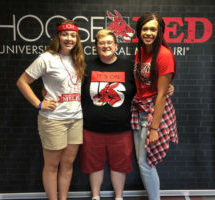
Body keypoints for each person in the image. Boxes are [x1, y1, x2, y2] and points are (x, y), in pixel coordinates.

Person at [16, 19, 85, 200]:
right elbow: (22, 82)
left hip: (76, 119)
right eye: (65, 34)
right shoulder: (47, 58)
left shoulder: (78, 58)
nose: (69, 38)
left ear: (77, 38)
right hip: (53, 119)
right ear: (58, 37)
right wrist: (39, 103)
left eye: (73, 35)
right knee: (52, 165)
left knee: (68, 164)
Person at [80, 29, 135, 200]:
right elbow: (71, 88)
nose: (106, 46)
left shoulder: (128, 66)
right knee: (94, 165)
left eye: (109, 42)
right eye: (101, 43)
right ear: (96, 46)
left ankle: (119, 197)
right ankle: (95, 196)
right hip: (92, 129)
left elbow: (144, 89)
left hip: (121, 129)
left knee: (120, 166)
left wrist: (167, 88)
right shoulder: (86, 65)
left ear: (116, 45)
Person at [131, 12, 178, 200]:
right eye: (145, 28)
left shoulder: (164, 55)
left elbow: (161, 96)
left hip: (155, 113)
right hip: (140, 111)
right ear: (139, 31)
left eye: (153, 29)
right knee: (144, 162)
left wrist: (154, 128)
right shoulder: (140, 52)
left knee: (145, 163)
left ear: (160, 32)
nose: (148, 33)